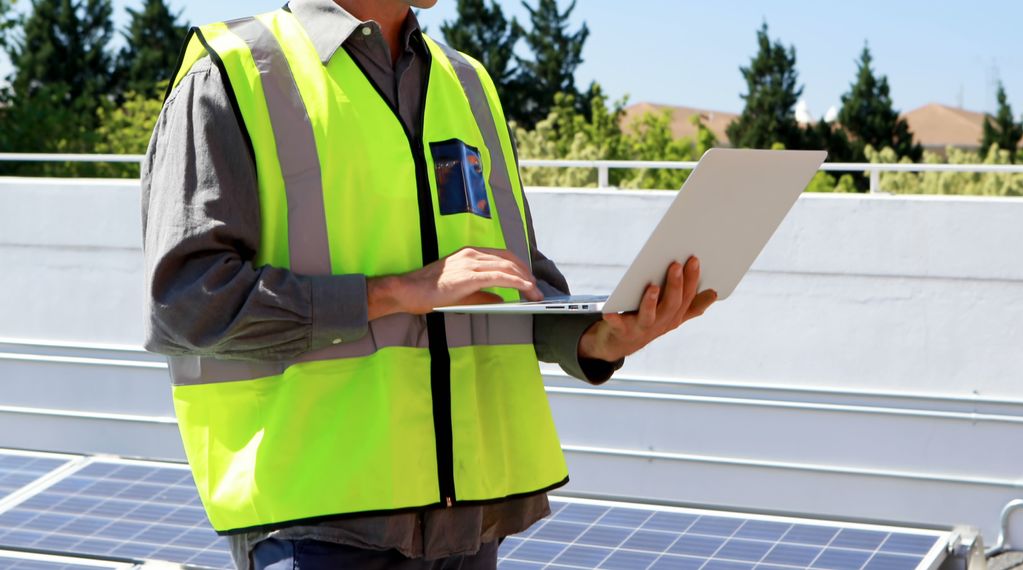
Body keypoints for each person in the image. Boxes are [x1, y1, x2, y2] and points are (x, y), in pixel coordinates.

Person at [140, 0, 717, 568]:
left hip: (467, 522)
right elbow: (188, 303)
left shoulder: (467, 83)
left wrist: (601, 339)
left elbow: (510, 281)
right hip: (320, 527)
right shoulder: (234, 71)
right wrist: (392, 292)